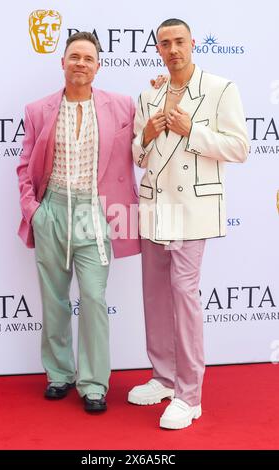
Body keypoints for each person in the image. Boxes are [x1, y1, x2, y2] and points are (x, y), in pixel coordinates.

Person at [129, 18, 249, 429]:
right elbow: (138, 156)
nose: (173, 49)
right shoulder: (150, 92)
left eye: (179, 41)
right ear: (158, 49)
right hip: (154, 208)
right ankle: (163, 378)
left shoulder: (220, 89)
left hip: (192, 211)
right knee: (154, 297)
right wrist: (145, 134)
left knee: (184, 297)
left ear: (192, 43)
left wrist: (191, 130)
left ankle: (190, 395)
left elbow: (239, 147)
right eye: (165, 43)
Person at [17, 32, 140, 412]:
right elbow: (24, 165)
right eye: (74, 56)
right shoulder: (39, 110)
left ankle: (93, 384)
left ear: (98, 65)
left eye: (88, 57)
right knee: (53, 300)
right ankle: (58, 374)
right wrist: (33, 209)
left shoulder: (122, 106)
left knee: (93, 298)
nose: (81, 63)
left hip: (95, 213)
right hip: (51, 209)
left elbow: (144, 140)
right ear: (63, 63)